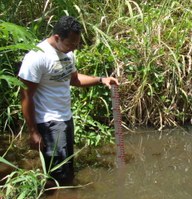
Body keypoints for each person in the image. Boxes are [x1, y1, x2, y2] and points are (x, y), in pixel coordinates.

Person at [18, 16, 119, 186]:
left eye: (76, 44)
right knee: (58, 175)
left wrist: (101, 80)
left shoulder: (67, 53)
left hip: (66, 118)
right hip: (49, 121)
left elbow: (74, 79)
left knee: (67, 168)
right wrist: (33, 131)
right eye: (70, 44)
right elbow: (26, 96)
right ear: (57, 37)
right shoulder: (36, 57)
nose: (73, 48)